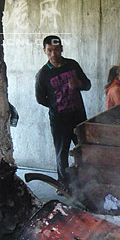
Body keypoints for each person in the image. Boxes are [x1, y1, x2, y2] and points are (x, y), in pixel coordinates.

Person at [35, 35, 91, 189]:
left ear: (62, 49)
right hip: (59, 120)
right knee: (62, 153)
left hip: (78, 116)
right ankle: (63, 185)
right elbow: (40, 99)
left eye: (56, 49)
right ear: (44, 51)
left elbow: (87, 85)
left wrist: (79, 83)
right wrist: (57, 105)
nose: (53, 54)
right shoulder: (43, 74)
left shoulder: (72, 65)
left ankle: (87, 181)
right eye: (50, 50)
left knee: (84, 149)